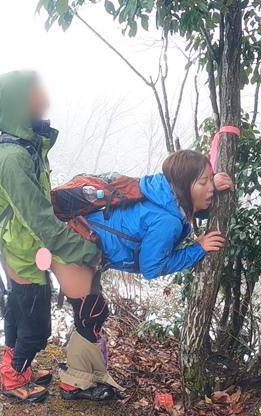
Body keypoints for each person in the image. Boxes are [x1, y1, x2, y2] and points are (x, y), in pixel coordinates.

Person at [51, 149, 234, 398]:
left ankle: (83, 374)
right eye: (203, 182)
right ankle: (74, 385)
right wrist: (197, 249)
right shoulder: (166, 220)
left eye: (209, 179)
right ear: (184, 184)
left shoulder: (160, 189)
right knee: (91, 313)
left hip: (80, 239)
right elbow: (152, 267)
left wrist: (211, 188)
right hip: (75, 248)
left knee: (91, 313)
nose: (209, 187)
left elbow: (181, 204)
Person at [0, 70, 107, 403]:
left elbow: (39, 208)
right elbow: (38, 220)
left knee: (21, 311)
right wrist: (83, 250)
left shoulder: (24, 145)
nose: (44, 94)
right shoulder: (11, 158)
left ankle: (18, 369)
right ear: (18, 102)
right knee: (36, 326)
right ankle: (12, 379)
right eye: (36, 89)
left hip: (26, 246)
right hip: (22, 249)